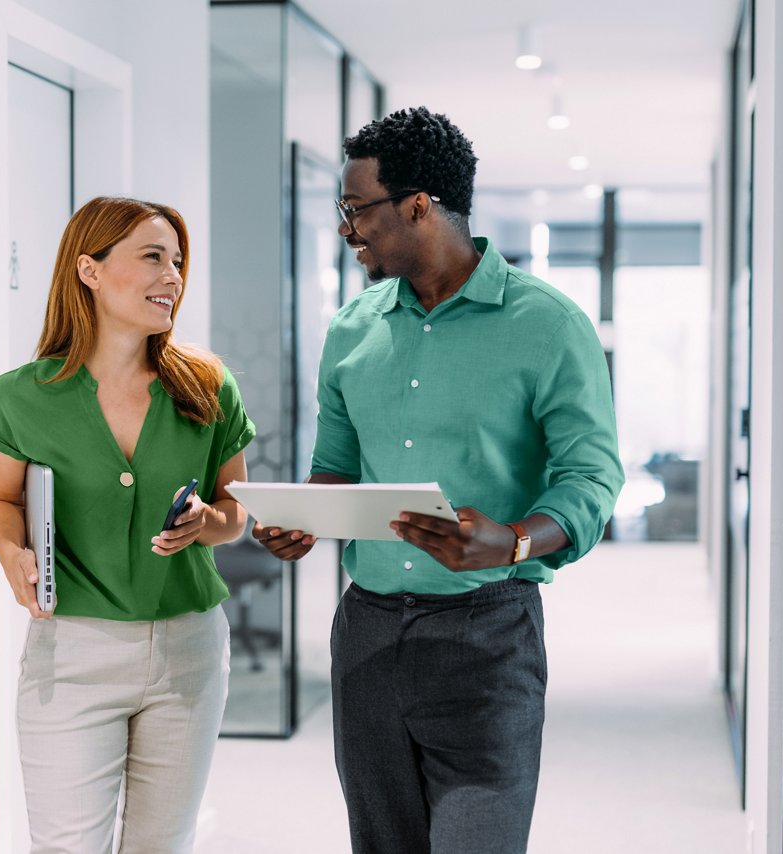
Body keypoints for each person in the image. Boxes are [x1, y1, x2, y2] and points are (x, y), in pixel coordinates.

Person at [253, 107, 624, 853]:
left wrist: (516, 541)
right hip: (368, 636)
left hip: (488, 635)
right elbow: (337, 470)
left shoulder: (548, 325)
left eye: (357, 211)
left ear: (417, 206)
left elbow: (592, 476)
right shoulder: (352, 331)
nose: (346, 230)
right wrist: (300, 518)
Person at [0, 196, 255, 853]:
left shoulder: (207, 385)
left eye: (179, 261)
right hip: (71, 654)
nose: (173, 277)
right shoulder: (20, 395)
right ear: (90, 270)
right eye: (153, 257)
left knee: (164, 843)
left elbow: (237, 512)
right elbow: (0, 502)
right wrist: (10, 549)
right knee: (68, 845)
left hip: (188, 653)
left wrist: (208, 522)